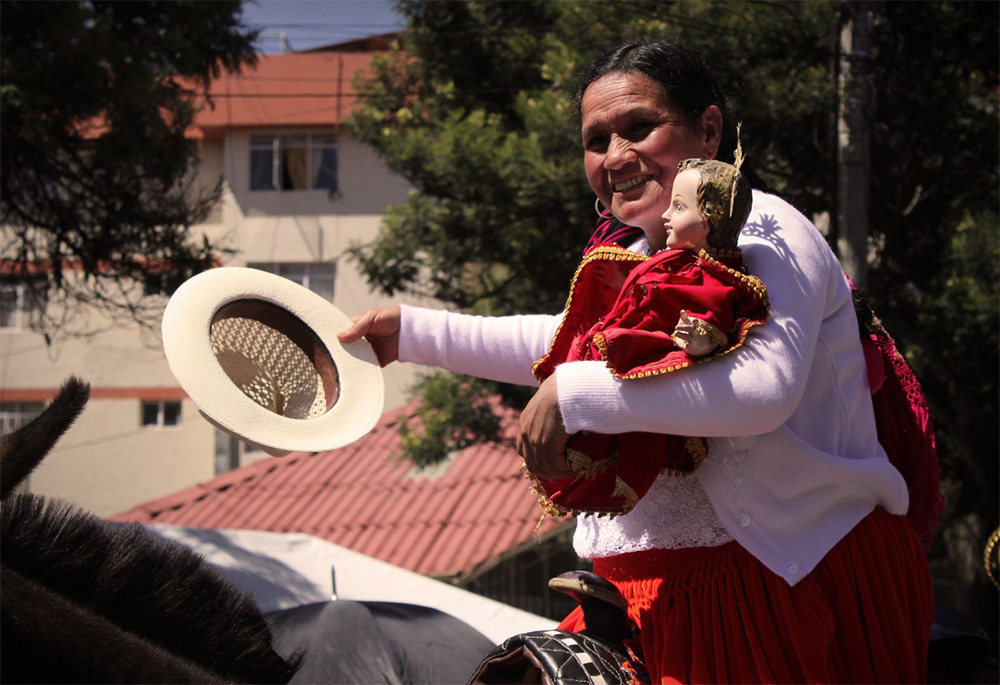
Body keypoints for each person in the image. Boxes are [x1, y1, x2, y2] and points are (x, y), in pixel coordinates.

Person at [339, 40, 935, 683]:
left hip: (783, 587)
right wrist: (413, 334)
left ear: (709, 130)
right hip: (638, 606)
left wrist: (575, 392)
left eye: (639, 128)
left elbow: (764, 388)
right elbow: (574, 346)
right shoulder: (636, 252)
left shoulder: (763, 227)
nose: (616, 157)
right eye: (597, 140)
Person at [527, 154, 769, 517]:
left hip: (645, 351)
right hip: (624, 336)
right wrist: (621, 283)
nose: (667, 215)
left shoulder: (711, 278)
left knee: (621, 437)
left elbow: (713, 318)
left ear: (709, 220)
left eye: (679, 206)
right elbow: (651, 284)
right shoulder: (674, 258)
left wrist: (701, 338)